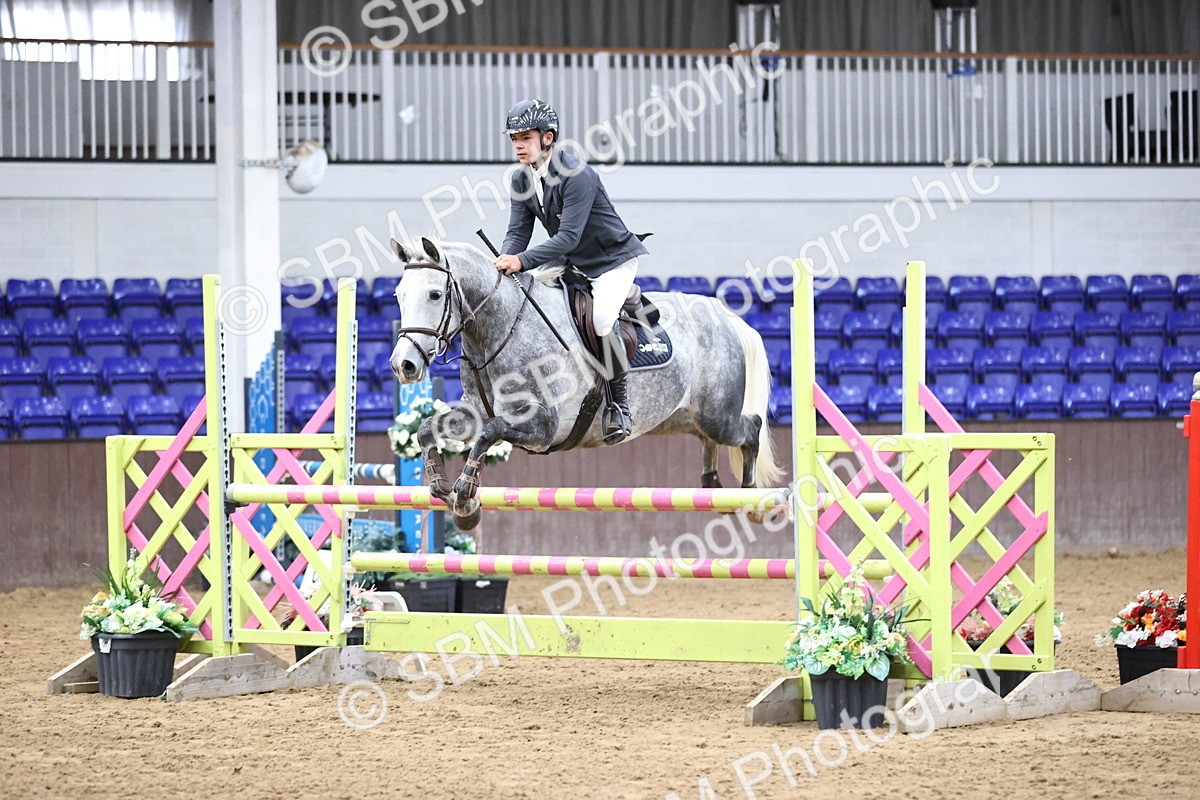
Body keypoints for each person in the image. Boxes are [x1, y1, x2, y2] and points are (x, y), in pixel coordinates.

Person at [495, 98, 648, 445]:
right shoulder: (521, 180)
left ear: (548, 138)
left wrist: (521, 261)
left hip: (611, 261)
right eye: (514, 138)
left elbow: (567, 237)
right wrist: (505, 260)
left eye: (525, 137)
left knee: (603, 319)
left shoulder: (577, 174)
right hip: (574, 262)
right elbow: (519, 232)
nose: (518, 145)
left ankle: (619, 407)